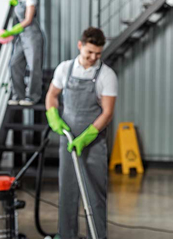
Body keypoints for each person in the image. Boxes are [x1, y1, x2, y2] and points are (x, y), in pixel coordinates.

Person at [45, 27, 117, 239]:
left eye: (98, 53)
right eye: (89, 53)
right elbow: (52, 95)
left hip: (93, 142)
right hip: (67, 140)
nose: (93, 58)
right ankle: (66, 235)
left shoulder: (106, 75)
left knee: (94, 193)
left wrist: (87, 136)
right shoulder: (64, 69)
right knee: (67, 192)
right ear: (80, 45)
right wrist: (53, 116)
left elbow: (108, 112)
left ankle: (97, 236)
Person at [0, 0, 44, 106]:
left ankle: (33, 96)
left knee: (34, 67)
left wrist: (12, 31)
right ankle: (18, 95)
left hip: (32, 35)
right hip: (21, 37)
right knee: (14, 64)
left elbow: (28, 19)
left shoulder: (30, 1)